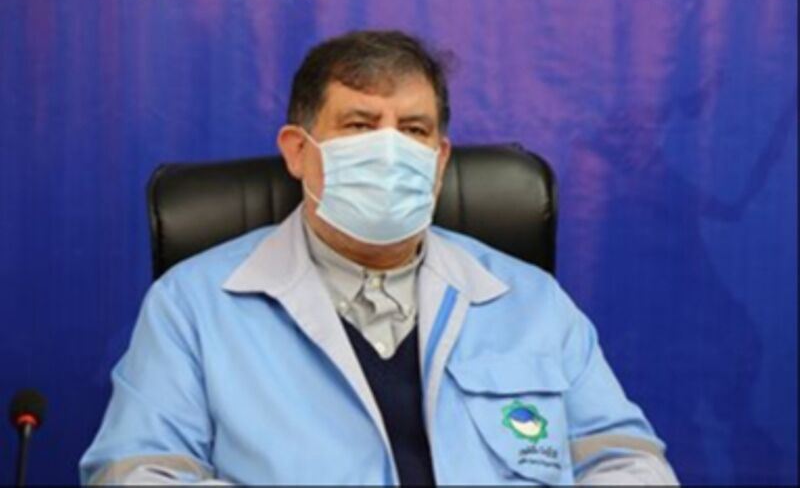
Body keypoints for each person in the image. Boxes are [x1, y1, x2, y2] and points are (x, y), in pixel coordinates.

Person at [80, 30, 679, 485]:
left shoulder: (531, 301)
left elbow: (628, 461)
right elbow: (136, 472)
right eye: (361, 125)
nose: (390, 150)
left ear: (440, 161)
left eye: (413, 130)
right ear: (297, 151)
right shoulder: (191, 307)